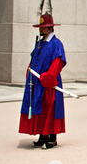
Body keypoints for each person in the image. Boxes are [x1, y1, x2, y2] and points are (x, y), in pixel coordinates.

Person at [19, 13, 66, 149]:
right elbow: (34, 61)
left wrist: (49, 76)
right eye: (41, 28)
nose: (41, 30)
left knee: (50, 108)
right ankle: (42, 135)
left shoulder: (56, 44)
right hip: (37, 83)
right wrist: (29, 72)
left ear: (50, 28)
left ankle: (52, 137)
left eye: (44, 28)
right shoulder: (40, 44)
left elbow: (57, 62)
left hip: (49, 83)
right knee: (40, 108)